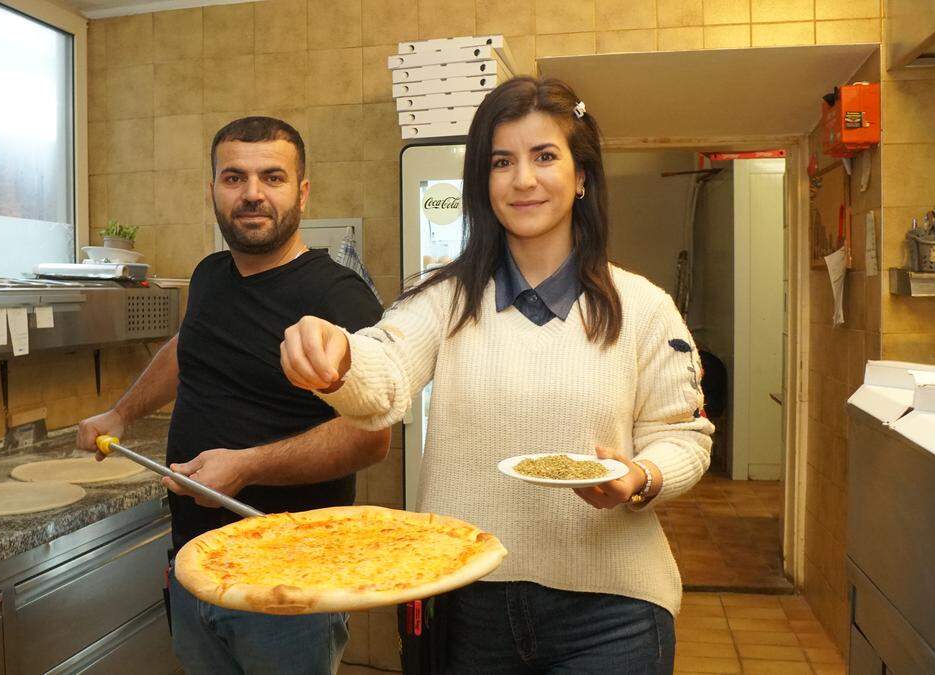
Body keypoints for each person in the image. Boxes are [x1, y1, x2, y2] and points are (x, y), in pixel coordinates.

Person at [280, 77, 714, 674]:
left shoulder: (644, 307)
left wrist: (639, 475)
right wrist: (339, 360)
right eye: (502, 162)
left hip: (613, 611)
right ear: (483, 184)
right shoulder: (442, 300)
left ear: (582, 176)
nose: (523, 180)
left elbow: (685, 436)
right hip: (465, 601)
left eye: (544, 157)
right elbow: (381, 379)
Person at [77, 116, 388, 675]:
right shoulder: (211, 275)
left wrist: (245, 467)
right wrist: (120, 412)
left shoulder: (338, 295)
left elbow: (372, 437)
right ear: (214, 190)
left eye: (272, 177)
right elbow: (185, 346)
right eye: (233, 177)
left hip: (287, 588)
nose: (252, 194)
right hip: (196, 564)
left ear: (303, 192)